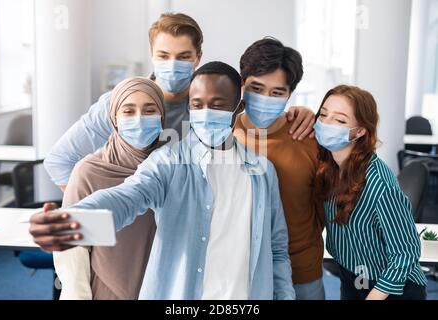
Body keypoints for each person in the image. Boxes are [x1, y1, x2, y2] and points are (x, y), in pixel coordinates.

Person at [31, 62, 295, 300]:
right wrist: (74, 222)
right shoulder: (167, 160)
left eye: (217, 105)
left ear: (238, 107)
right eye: (196, 104)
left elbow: (276, 247)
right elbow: (127, 197)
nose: (205, 113)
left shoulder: (262, 171)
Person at [44, 12, 315, 193]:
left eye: (183, 56)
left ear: (198, 57)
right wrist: (91, 212)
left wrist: (298, 113)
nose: (172, 65)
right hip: (129, 223)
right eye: (163, 55)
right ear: (151, 54)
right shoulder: (120, 104)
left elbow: (257, 109)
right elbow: (59, 160)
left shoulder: (212, 108)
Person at [52, 77, 165, 300]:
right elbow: (72, 249)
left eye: (149, 110)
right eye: (128, 111)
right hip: (104, 289)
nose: (140, 119)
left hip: (163, 288)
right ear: (114, 117)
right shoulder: (89, 172)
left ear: (162, 115)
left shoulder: (171, 167)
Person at [314, 84, 427, 300]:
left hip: (392, 286)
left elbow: (405, 253)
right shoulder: (329, 166)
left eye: (339, 120)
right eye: (323, 115)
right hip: (355, 274)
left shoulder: (379, 184)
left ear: (360, 131)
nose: (326, 124)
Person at [234, 38, 325, 300]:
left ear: (290, 94)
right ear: (242, 84)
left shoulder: (308, 137)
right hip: (240, 275)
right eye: (256, 88)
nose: (265, 99)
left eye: (277, 92)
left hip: (302, 275)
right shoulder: (223, 134)